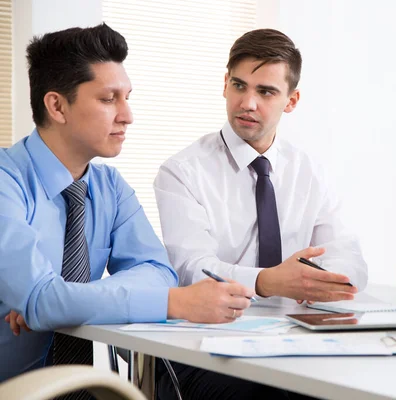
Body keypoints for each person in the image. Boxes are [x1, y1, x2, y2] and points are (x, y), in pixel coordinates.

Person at [0, 23, 254, 387]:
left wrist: (59, 303)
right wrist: (174, 303)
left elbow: (158, 270)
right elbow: (42, 300)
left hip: (85, 390)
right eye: (108, 99)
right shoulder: (5, 182)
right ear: (56, 105)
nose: (127, 115)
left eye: (127, 97)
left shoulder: (110, 188)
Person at [154, 28, 367, 399]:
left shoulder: (310, 171)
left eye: (265, 91)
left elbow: (348, 255)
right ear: (224, 85)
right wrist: (268, 281)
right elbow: (191, 267)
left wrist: (323, 280)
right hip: (206, 344)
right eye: (239, 86)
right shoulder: (182, 171)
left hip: (295, 337)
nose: (247, 102)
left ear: (291, 100)